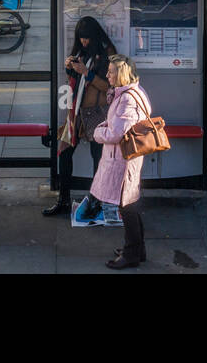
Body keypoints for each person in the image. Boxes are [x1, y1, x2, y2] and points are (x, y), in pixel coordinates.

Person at [44, 17, 117, 216]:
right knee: (64, 152)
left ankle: (96, 201)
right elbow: (73, 78)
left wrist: (87, 72)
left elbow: (109, 86)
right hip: (75, 112)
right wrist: (70, 66)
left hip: (95, 112)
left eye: (87, 39)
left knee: (97, 157)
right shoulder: (80, 50)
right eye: (81, 38)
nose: (84, 42)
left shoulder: (107, 52)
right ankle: (63, 199)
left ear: (94, 36)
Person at [90, 55, 151, 269]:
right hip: (128, 158)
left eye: (111, 72)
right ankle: (137, 249)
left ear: (121, 74)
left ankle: (132, 253)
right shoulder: (133, 91)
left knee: (127, 206)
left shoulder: (126, 98)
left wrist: (98, 132)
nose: (107, 75)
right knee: (130, 203)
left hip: (123, 160)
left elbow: (116, 133)